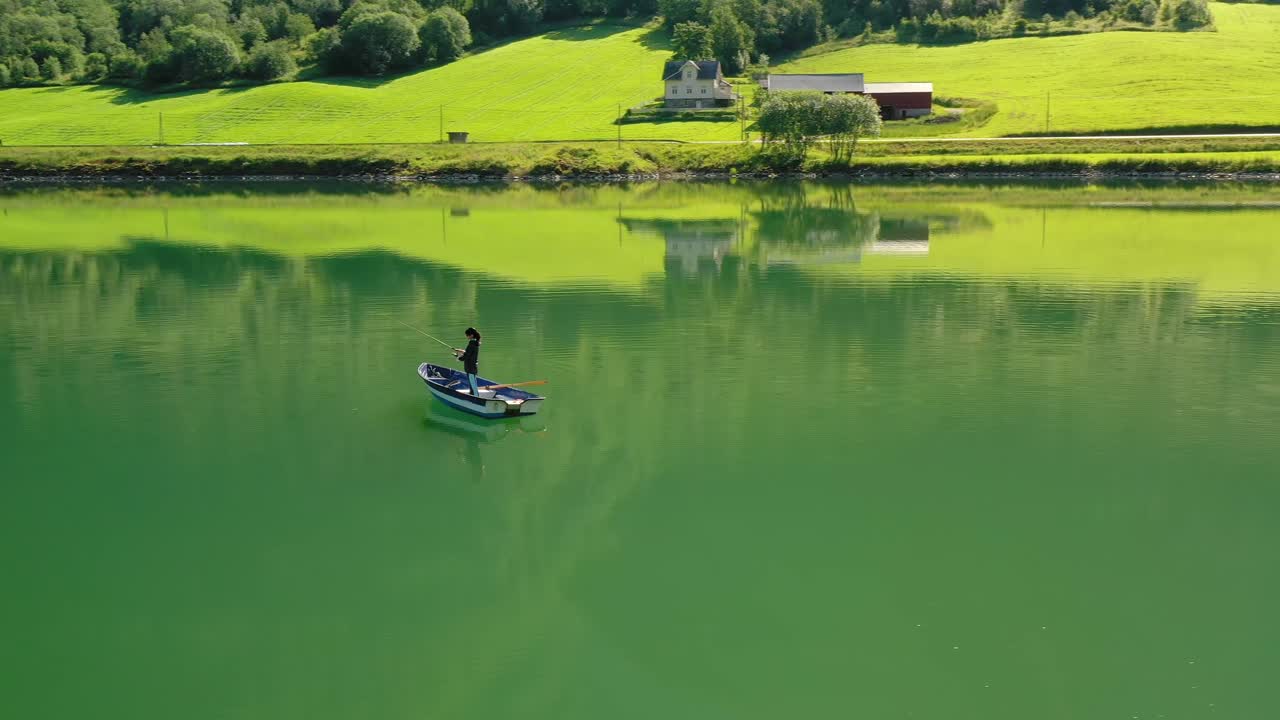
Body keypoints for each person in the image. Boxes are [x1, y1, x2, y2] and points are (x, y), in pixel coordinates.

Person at [453, 327, 482, 396]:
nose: (466, 336)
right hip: (472, 367)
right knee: (472, 383)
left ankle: (476, 398)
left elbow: (466, 356)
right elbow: (469, 353)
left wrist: (458, 357)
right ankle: (472, 394)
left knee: (473, 384)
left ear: (471, 335)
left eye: (467, 335)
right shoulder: (475, 343)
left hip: (470, 368)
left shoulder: (471, 343)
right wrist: (460, 351)